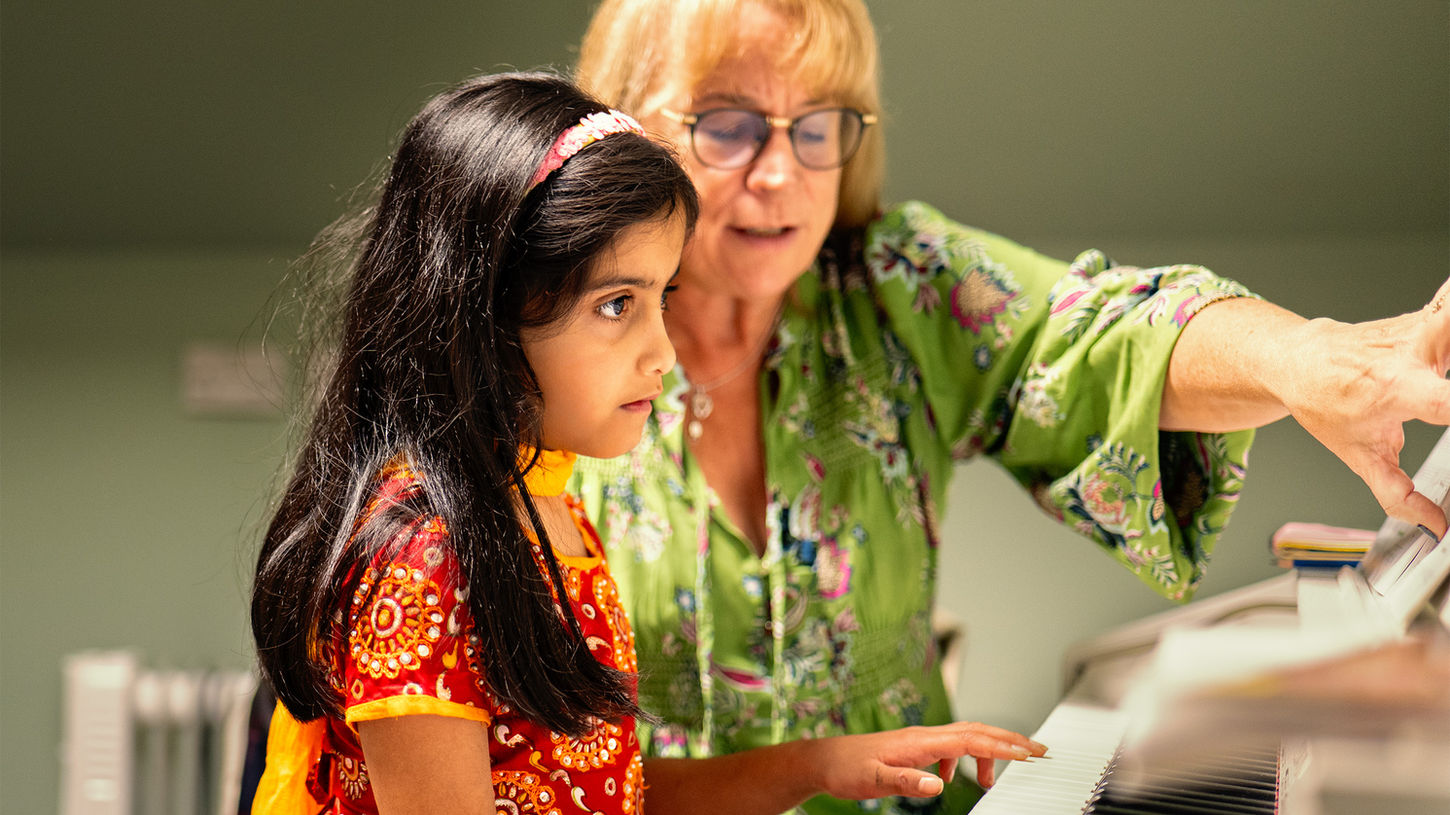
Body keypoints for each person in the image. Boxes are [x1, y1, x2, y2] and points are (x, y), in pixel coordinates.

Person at [567, 1, 1450, 812]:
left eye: (818, 127)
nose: (781, 174)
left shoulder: (891, 283)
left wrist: (1300, 357)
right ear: (624, 125)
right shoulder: (546, 346)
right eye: (728, 126)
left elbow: (1100, 336)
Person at [248, 70, 1046, 815]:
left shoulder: (547, 508)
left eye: (662, 296)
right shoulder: (421, 560)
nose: (661, 352)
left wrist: (820, 763)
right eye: (616, 304)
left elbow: (607, 793)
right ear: (483, 310)